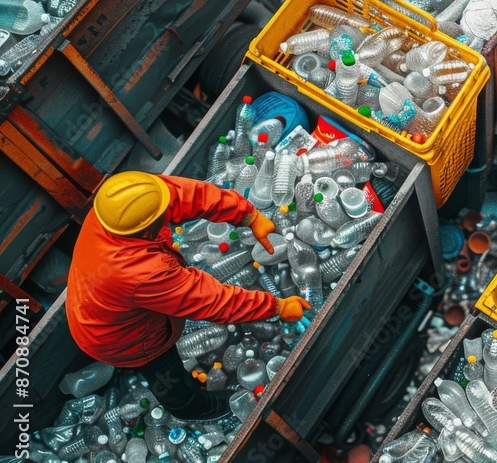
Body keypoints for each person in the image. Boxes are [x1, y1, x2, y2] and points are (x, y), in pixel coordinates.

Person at [66, 171, 312, 421]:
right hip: (118, 337)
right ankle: (192, 409)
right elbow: (215, 302)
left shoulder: (117, 207)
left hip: (97, 300)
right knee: (163, 369)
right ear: (146, 228)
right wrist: (277, 308)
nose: (168, 211)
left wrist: (248, 215)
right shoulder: (140, 272)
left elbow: (184, 195)